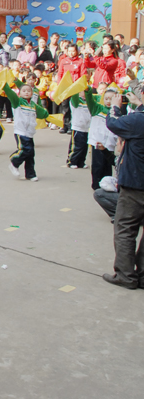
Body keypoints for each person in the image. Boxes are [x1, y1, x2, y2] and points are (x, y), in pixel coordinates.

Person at [102, 92, 144, 288]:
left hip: (136, 183)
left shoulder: (138, 120)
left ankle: (125, 275)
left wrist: (115, 106)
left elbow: (113, 123)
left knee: (125, 228)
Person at [5, 83, 49, 181]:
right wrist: (5, 86)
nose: (26, 92)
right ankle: (14, 162)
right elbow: (10, 94)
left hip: (30, 132)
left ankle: (30, 174)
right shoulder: (17, 102)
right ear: (19, 93)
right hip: (20, 131)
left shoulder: (33, 105)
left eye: (29, 91)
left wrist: (46, 113)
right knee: (25, 150)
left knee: (30, 154)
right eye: (24, 91)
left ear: (32, 93)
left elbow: (42, 113)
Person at [78, 87, 118, 189]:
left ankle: (107, 185)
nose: (108, 101)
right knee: (97, 165)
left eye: (111, 99)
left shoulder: (117, 113)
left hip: (110, 144)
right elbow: (90, 100)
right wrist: (88, 91)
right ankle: (96, 185)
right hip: (97, 143)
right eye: (106, 98)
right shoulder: (97, 108)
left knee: (108, 166)